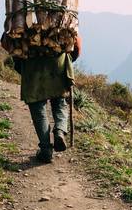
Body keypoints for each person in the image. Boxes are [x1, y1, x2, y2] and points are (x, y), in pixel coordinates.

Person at [4, 35, 82, 163]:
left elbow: (8, 43)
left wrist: (20, 64)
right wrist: (67, 60)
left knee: (38, 109)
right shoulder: (61, 16)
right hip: (58, 64)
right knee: (60, 103)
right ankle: (60, 131)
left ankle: (46, 150)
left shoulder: (20, 17)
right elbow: (76, 45)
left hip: (31, 65)